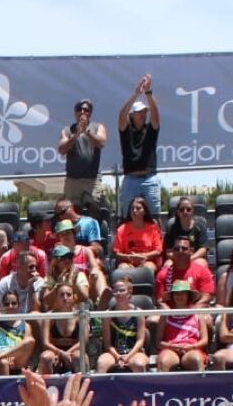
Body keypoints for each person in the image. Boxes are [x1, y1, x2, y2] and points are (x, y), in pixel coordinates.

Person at [116, 75, 162, 217]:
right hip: (130, 179)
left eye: (144, 112)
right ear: (132, 115)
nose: (143, 114)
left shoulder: (150, 129)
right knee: (128, 217)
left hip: (149, 178)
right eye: (139, 112)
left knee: (154, 217)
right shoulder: (126, 129)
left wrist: (148, 93)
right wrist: (136, 94)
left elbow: (156, 115)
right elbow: (121, 115)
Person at [58, 99, 106, 202]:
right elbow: (61, 150)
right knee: (71, 210)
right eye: (79, 109)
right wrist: (75, 136)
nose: (82, 112)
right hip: (73, 180)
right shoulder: (67, 130)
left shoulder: (98, 127)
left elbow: (102, 143)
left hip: (93, 179)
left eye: (86, 110)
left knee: (95, 210)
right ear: (75, 112)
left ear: (90, 113)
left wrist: (87, 132)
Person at [112, 195, 162, 268]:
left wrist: (142, 256)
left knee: (148, 267)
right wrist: (129, 257)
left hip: (147, 261)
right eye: (132, 208)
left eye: (138, 208)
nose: (134, 211)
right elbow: (116, 252)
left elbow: (158, 251)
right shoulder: (122, 229)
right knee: (122, 267)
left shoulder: (153, 229)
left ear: (144, 211)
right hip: (128, 262)